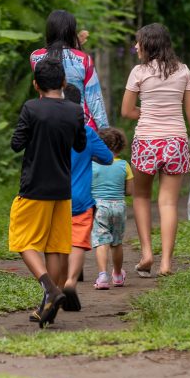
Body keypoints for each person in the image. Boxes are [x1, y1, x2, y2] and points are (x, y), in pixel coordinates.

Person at [121, 23, 190, 277]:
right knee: (168, 202)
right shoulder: (183, 71)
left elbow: (126, 111)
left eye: (139, 42)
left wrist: (146, 114)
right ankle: (166, 263)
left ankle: (147, 254)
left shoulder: (139, 72)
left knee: (141, 197)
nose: (136, 46)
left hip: (146, 141)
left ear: (149, 44)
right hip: (176, 142)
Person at [8, 56, 86, 328]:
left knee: (22, 240)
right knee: (55, 247)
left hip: (34, 188)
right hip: (62, 190)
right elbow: (79, 145)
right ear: (63, 82)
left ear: (35, 85)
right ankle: (47, 305)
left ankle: (51, 289)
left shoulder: (31, 108)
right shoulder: (75, 111)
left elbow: (16, 144)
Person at [61, 83, 114, 310]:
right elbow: (108, 158)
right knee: (77, 243)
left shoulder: (51, 130)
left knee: (56, 244)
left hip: (53, 196)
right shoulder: (87, 133)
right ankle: (71, 281)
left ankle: (58, 282)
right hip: (81, 199)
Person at [30, 9, 108, 129]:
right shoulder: (84, 59)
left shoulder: (35, 57)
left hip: (48, 123)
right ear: (72, 32)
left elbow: (58, 54)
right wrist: (105, 130)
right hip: (82, 126)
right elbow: (94, 98)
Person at [91, 126, 133, 290]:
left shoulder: (92, 165)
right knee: (116, 242)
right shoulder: (124, 165)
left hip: (99, 206)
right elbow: (130, 191)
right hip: (119, 206)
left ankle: (102, 276)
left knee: (102, 241)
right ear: (120, 145)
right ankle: (117, 274)